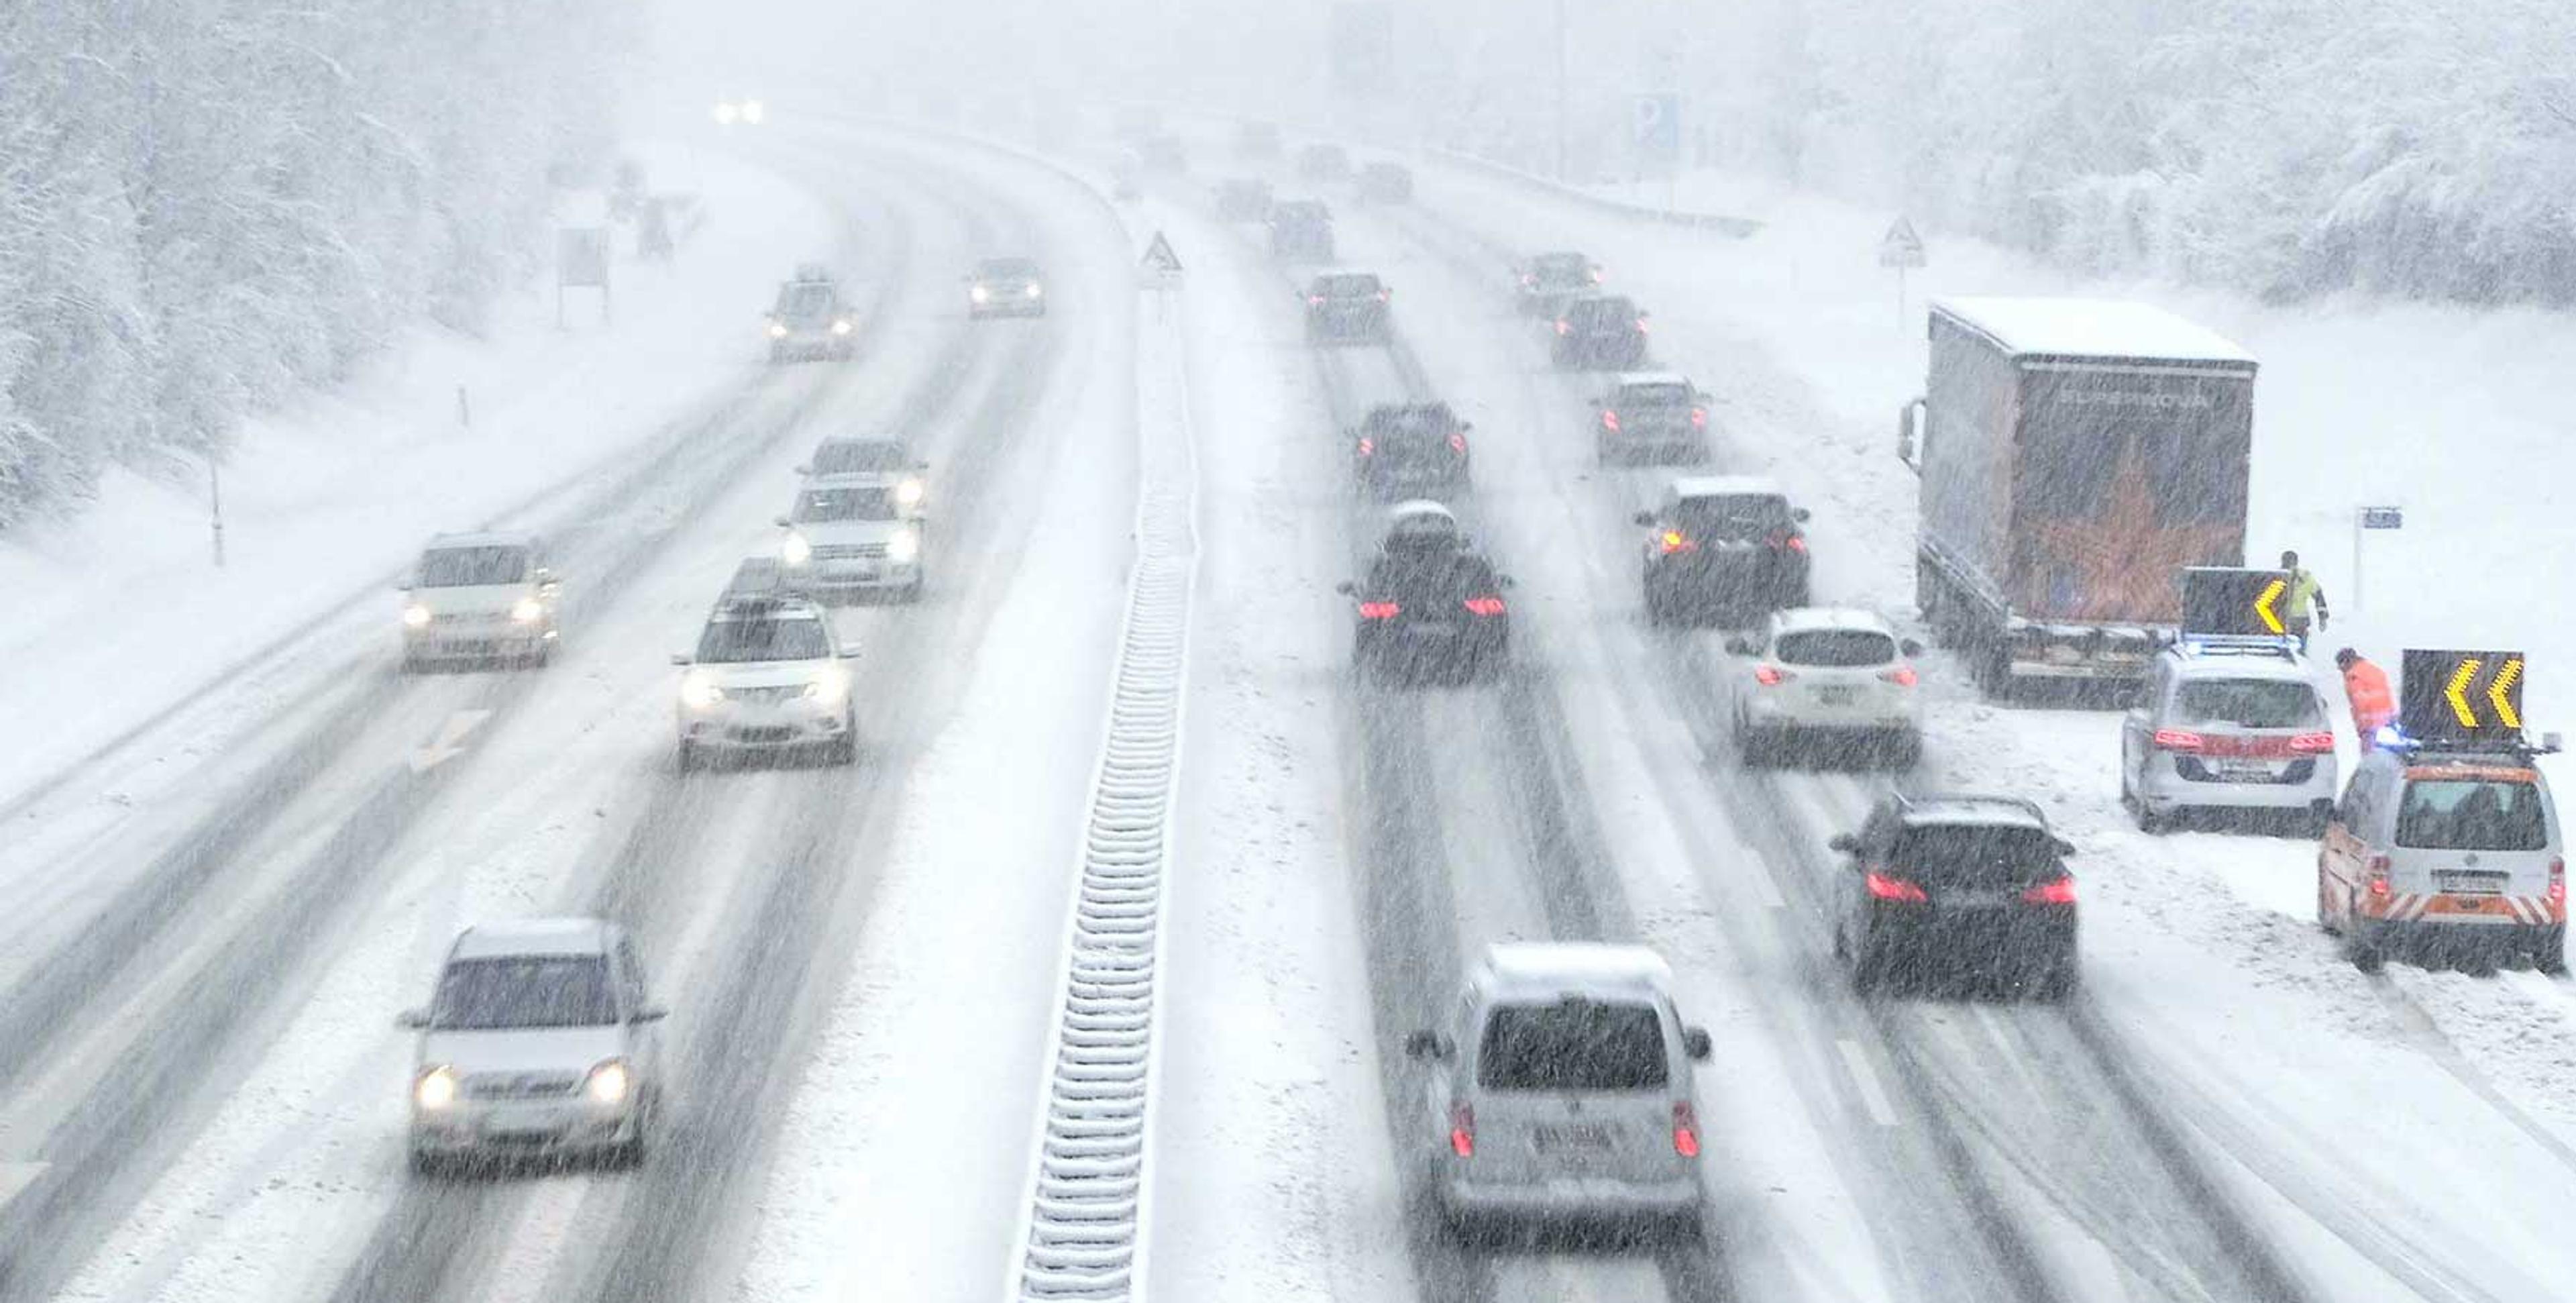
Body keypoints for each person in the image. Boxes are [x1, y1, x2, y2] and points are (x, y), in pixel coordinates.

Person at [2338, 647, 2396, 751]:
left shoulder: (2354, 676)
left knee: (2369, 758)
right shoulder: (2376, 670)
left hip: (2370, 724)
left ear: (2346, 662)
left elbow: (2360, 702)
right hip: (2387, 721)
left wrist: (2361, 727)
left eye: (2341, 665)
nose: (2340, 669)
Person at [2280, 550, 2329, 651]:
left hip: (2297, 620)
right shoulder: (2277, 577)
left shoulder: (2305, 577)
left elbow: (2318, 596)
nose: (2290, 566)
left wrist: (2322, 617)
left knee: (2296, 650)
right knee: (2286, 649)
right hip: (2282, 619)